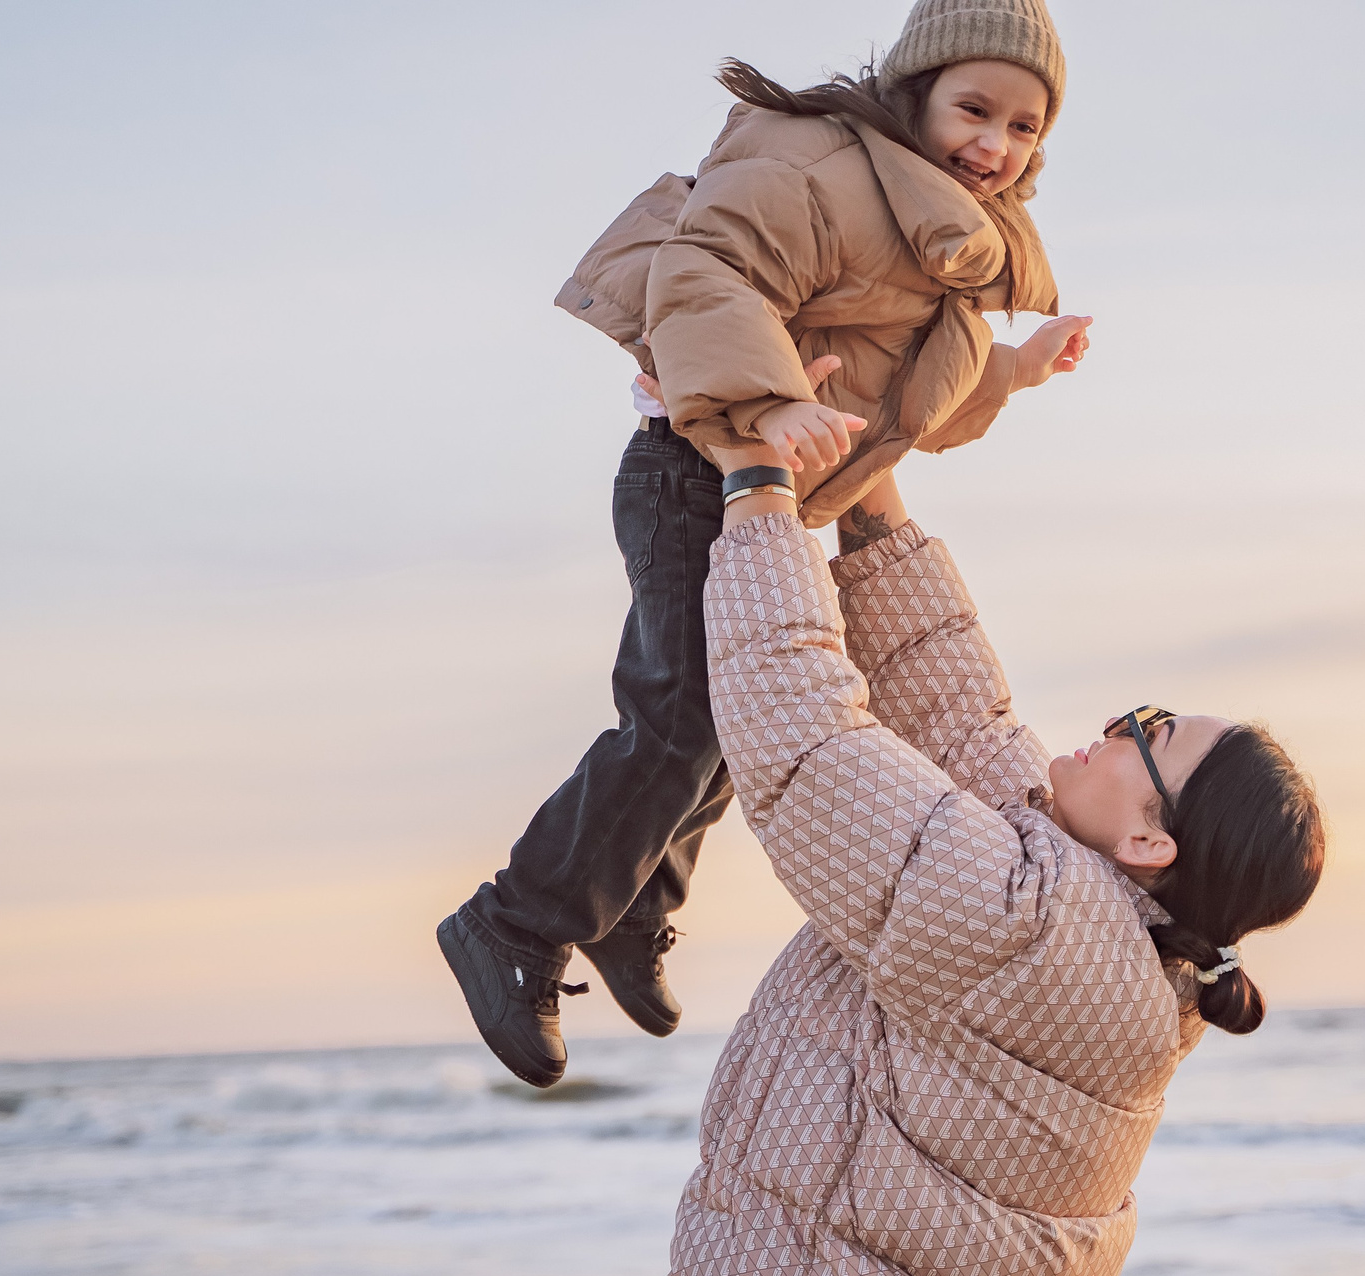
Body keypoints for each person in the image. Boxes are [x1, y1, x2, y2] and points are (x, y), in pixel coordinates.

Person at [437, 0, 1095, 1088]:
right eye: (975, 108)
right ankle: (514, 921)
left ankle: (633, 897)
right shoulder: (823, 165)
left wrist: (1018, 368)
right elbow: (708, 273)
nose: (997, 144)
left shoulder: (952, 241)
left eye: (1026, 128)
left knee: (742, 718)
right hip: (694, 468)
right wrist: (769, 397)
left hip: (774, 495)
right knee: (683, 710)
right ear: (914, 91)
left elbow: (910, 390)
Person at [679, 465, 1327, 1276]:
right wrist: (872, 493)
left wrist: (764, 492)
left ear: (1152, 840)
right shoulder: (1110, 931)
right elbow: (959, 718)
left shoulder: (1028, 926)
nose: (1113, 725)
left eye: (1145, 733)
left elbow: (802, 736)